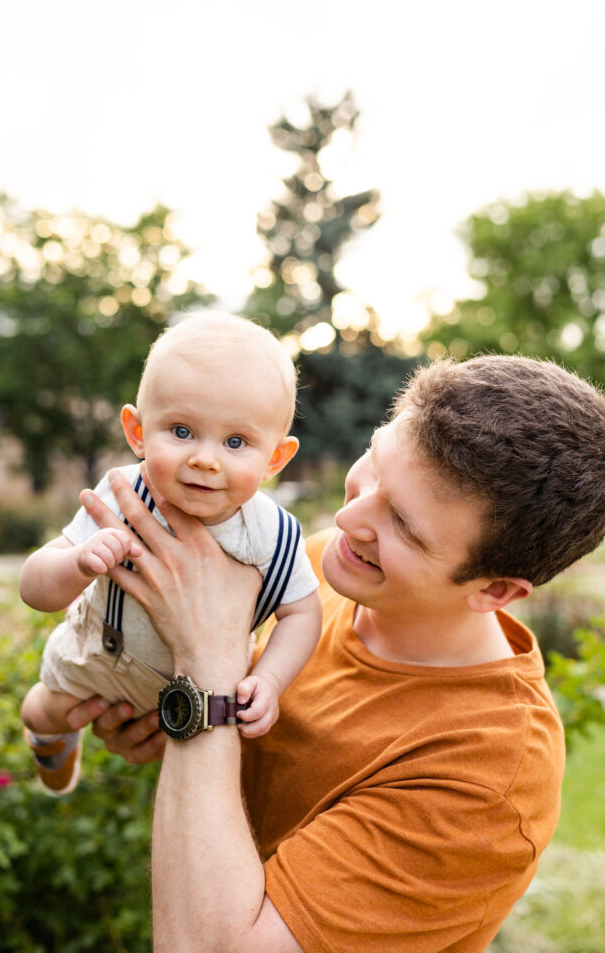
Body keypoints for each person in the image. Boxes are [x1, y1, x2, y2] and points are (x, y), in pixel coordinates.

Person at [67, 353, 605, 953]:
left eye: (402, 524)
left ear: (496, 590)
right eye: (374, 463)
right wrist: (169, 719)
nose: (348, 516)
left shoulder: (487, 780)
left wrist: (202, 687)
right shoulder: (330, 566)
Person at [19, 312, 322, 793]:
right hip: (100, 654)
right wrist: (78, 562)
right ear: (137, 432)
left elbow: (303, 613)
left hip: (201, 684)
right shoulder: (122, 495)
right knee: (48, 708)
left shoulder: (273, 534)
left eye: (236, 441)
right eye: (181, 431)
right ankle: (50, 743)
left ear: (275, 460)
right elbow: (34, 587)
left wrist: (270, 679)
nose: (205, 457)